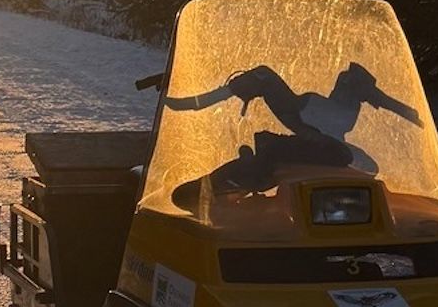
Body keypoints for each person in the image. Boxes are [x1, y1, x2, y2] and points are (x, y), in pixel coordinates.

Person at [164, 62, 422, 209]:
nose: (340, 80)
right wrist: (410, 112)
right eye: (341, 78)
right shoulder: (329, 109)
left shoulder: (337, 112)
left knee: (265, 81)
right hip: (317, 135)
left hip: (323, 139)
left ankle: (232, 179)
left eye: (346, 81)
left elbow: (380, 98)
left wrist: (412, 112)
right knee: (270, 149)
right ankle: (230, 180)